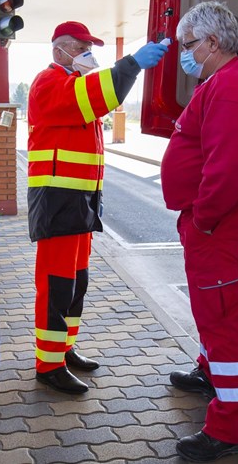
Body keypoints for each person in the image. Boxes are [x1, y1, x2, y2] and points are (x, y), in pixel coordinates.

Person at [27, 21, 168, 394]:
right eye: (80, 47)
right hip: (58, 199)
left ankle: (65, 348)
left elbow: (98, 97)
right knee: (56, 284)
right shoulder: (50, 82)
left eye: (89, 47)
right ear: (59, 50)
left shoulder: (70, 83)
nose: (87, 53)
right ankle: (48, 364)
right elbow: (101, 92)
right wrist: (132, 63)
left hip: (79, 200)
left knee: (76, 283)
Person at [160, 1, 238, 462]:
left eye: (189, 45)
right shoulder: (222, 83)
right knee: (211, 313)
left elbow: (225, 171)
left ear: (212, 43)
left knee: (224, 322)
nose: (185, 54)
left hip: (215, 229)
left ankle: (230, 427)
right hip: (209, 227)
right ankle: (211, 373)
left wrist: (201, 220)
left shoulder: (229, 88)